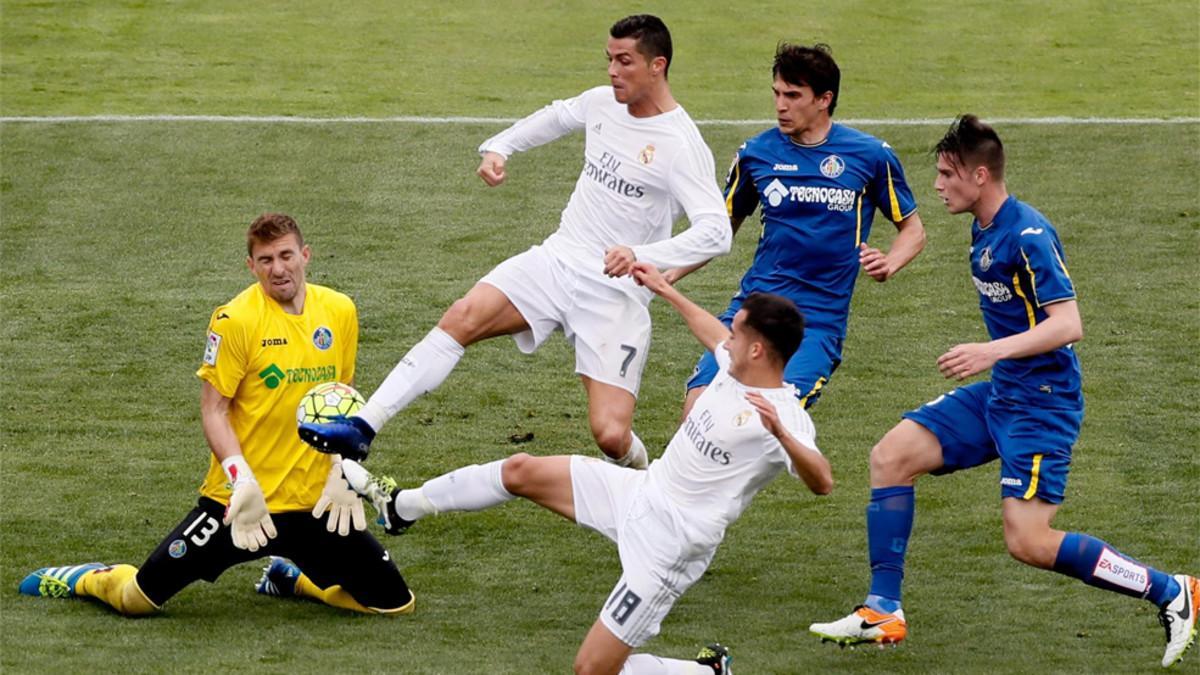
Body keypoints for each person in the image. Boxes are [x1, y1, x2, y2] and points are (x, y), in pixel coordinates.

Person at [807, 116, 1198, 668]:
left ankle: (1171, 591)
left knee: (1029, 542)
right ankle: (882, 610)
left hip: (1043, 403)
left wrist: (988, 351)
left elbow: (1068, 324)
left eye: (947, 174)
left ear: (981, 175)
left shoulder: (1028, 234)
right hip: (1003, 394)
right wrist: (890, 264)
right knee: (891, 455)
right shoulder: (985, 227)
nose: (938, 185)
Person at [341, 261, 832, 674]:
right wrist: (663, 288)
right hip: (639, 493)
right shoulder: (734, 363)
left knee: (592, 670)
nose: (728, 336)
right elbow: (712, 331)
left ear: (757, 350)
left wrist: (784, 436)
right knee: (521, 470)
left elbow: (822, 481)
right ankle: (402, 507)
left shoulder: (783, 413)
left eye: (738, 330)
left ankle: (701, 671)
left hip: (671, 545)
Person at [299, 14, 731, 470]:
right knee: (462, 316)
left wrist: (641, 255)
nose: (612, 71)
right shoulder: (602, 103)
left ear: (657, 66)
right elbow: (557, 115)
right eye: (609, 59)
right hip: (558, 259)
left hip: (614, 292)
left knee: (610, 435)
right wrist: (500, 147)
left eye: (625, 62)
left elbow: (715, 233)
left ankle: (647, 475)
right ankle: (363, 426)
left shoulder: (681, 145)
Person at [18, 213, 414, 617]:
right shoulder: (236, 320)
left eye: (285, 256)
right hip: (240, 504)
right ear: (251, 265)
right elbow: (214, 409)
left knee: (394, 605)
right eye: (265, 260)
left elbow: (340, 401)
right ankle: (89, 578)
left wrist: (340, 471)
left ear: (305, 255)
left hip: (314, 503)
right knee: (137, 600)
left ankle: (292, 578)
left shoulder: (339, 310)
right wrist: (240, 477)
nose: (278, 269)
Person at [670, 43, 925, 416]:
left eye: (792, 95)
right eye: (776, 93)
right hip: (753, 310)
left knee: (763, 421)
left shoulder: (869, 156)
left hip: (816, 324)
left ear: (824, 99)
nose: (780, 105)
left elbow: (913, 230)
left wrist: (890, 262)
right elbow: (718, 231)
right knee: (698, 410)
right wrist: (668, 273)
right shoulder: (756, 153)